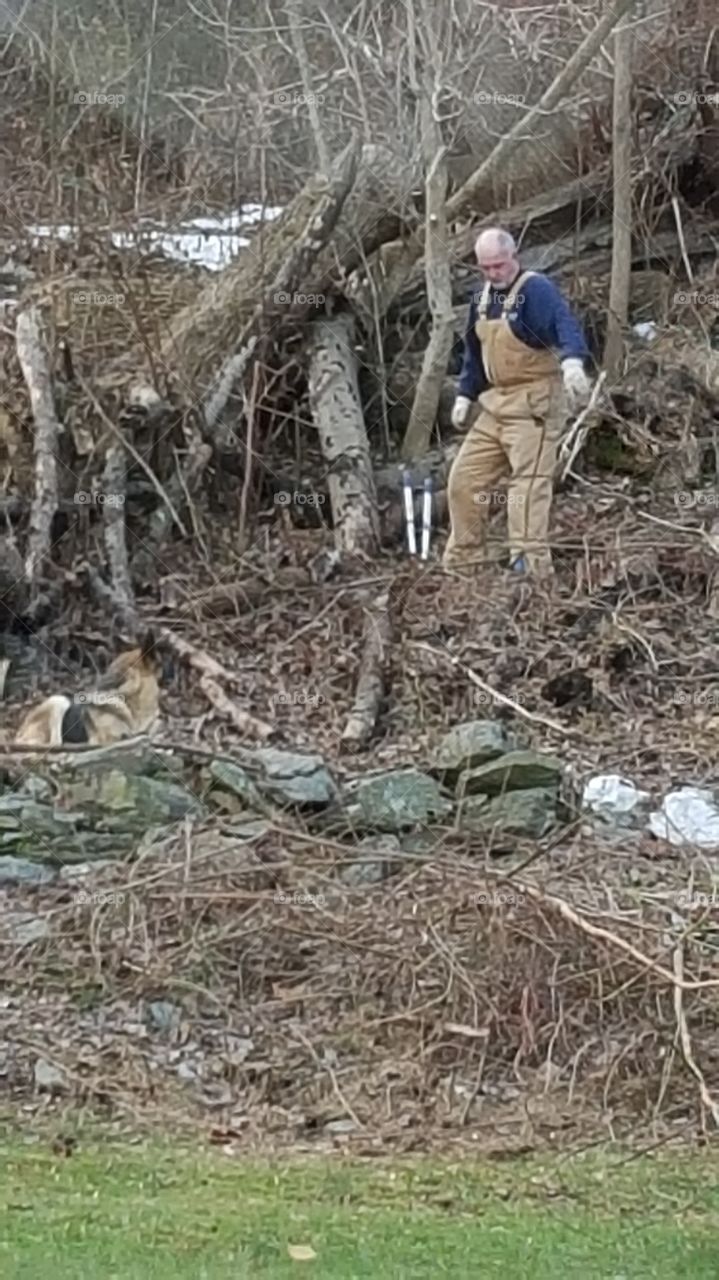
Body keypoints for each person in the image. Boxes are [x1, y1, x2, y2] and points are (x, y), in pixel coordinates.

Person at [443, 228, 592, 576]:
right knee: (463, 481)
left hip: (534, 406)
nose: (494, 273)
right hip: (496, 405)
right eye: (486, 267)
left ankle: (530, 567)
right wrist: (465, 394)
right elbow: (474, 354)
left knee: (525, 490)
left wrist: (572, 362)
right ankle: (466, 559)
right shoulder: (481, 299)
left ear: (514, 256)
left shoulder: (535, 290)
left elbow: (564, 324)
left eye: (499, 265)